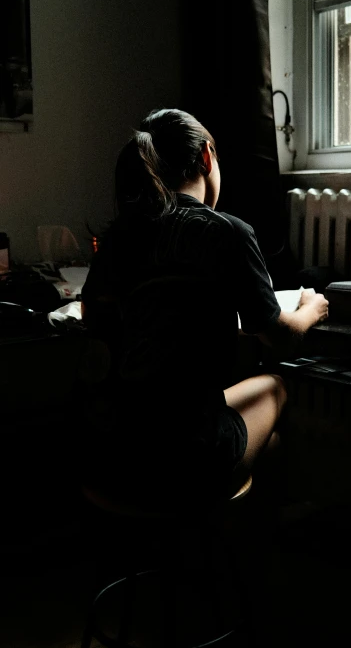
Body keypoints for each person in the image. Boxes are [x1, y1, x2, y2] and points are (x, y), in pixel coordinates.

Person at [80, 107, 329, 511]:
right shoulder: (227, 232)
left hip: (110, 453)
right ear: (207, 157)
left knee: (266, 445)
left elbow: (94, 318)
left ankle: (195, 554)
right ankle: (243, 560)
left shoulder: (120, 236)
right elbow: (280, 338)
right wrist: (311, 309)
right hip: (183, 455)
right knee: (278, 387)